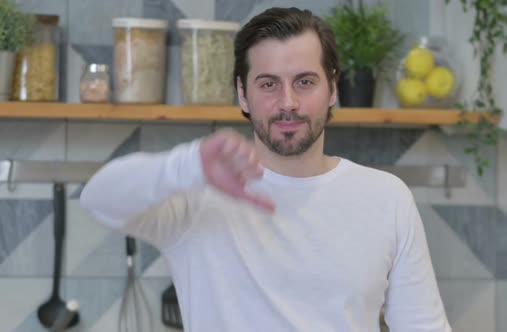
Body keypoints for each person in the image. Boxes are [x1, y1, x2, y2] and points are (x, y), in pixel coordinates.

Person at [80, 7, 451, 332]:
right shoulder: (197, 198)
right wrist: (188, 164)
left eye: (305, 82)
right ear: (243, 94)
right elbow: (99, 198)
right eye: (269, 84)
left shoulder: (387, 197)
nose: (288, 102)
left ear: (333, 88)